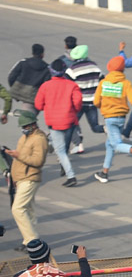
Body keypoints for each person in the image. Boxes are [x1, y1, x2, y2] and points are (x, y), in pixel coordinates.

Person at [92, 55, 132, 183]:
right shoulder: (125, 83)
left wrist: (102, 107)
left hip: (109, 118)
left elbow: (96, 102)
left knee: (116, 144)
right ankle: (104, 173)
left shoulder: (103, 83)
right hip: (121, 118)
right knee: (109, 144)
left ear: (109, 68)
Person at [34, 59, 82, 187]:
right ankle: (65, 167)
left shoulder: (45, 86)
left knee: (60, 150)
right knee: (64, 148)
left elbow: (38, 105)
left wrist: (49, 107)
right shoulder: (72, 85)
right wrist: (72, 110)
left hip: (54, 122)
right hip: (70, 121)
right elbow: (78, 103)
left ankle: (71, 176)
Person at [4, 112, 47, 246]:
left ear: (33, 124)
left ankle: (31, 240)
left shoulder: (39, 139)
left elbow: (38, 161)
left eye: (26, 126)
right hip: (21, 178)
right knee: (28, 209)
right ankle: (31, 238)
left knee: (18, 208)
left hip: (30, 178)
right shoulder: (24, 137)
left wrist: (18, 155)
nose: (24, 128)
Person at [65, 45, 103, 152]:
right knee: (95, 126)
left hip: (78, 103)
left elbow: (67, 86)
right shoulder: (95, 67)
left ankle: (77, 145)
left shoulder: (72, 70)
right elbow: (102, 81)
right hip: (92, 102)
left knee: (71, 125)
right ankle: (107, 129)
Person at [6, 45, 50, 116]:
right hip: (33, 96)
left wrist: (15, 88)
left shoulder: (23, 62)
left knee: (27, 118)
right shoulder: (47, 68)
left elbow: (11, 76)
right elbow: (46, 85)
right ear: (42, 54)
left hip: (20, 92)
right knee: (30, 117)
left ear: (32, 53)